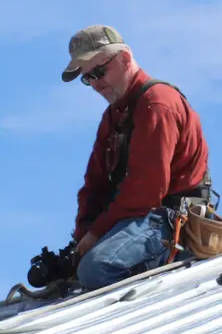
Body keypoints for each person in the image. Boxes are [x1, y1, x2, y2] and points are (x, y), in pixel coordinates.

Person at [61, 25, 213, 290]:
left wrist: (96, 234)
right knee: (77, 264)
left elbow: (147, 190)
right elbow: (93, 185)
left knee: (97, 269)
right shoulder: (113, 115)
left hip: (167, 218)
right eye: (88, 79)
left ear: (125, 58)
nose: (96, 84)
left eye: (99, 72)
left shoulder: (157, 104)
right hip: (136, 217)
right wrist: (83, 235)